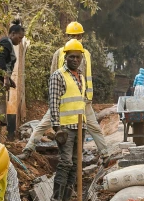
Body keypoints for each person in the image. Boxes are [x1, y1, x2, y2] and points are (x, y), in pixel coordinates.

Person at [18, 22, 109, 162]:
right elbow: (53, 74)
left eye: (77, 36)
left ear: (81, 36)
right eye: (72, 36)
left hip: (83, 101)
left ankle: (105, 154)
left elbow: (86, 76)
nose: (75, 38)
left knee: (94, 127)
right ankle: (28, 149)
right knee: (43, 125)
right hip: (63, 100)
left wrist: (87, 96)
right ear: (67, 36)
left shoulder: (86, 54)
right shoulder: (60, 53)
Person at [47, 39, 87, 201]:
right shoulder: (58, 76)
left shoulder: (81, 77)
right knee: (65, 162)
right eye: (72, 57)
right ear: (65, 57)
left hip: (80, 126)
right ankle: (56, 200)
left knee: (76, 163)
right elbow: (54, 102)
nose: (75, 60)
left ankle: (66, 199)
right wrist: (57, 127)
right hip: (66, 127)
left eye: (78, 58)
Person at [0, 20, 26, 129]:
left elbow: (5, 64)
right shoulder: (5, 42)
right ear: (12, 34)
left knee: (0, 111)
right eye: (19, 38)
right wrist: (6, 79)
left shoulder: (8, 43)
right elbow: (0, 60)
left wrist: (10, 81)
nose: (20, 41)